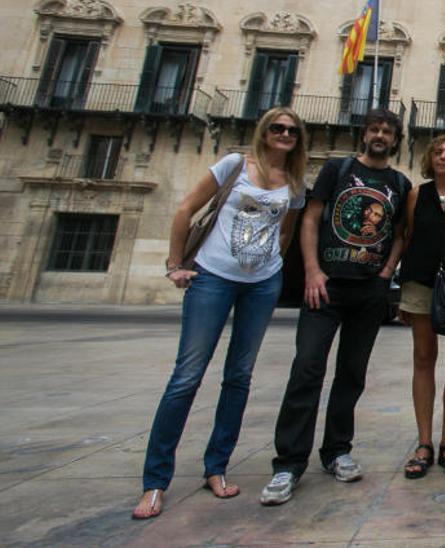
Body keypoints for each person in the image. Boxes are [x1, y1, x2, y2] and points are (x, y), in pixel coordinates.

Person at [133, 107, 308, 519]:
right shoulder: (234, 165)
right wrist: (175, 265)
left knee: (239, 377)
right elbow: (184, 210)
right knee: (186, 376)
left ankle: (217, 468)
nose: (284, 135)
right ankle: (155, 481)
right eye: (277, 128)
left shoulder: (296, 184)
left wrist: (271, 267)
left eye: (292, 131)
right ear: (264, 133)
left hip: (262, 284)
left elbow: (285, 231)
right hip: (212, 277)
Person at [260, 109, 410, 506]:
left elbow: (399, 234)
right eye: (375, 129)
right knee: (307, 370)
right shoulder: (335, 170)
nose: (380, 136)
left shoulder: (398, 183)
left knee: (351, 375)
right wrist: (312, 270)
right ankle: (288, 463)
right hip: (325, 289)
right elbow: (309, 220)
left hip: (368, 292)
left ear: (396, 140)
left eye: (387, 132)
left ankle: (337, 451)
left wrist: (387, 273)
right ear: (365, 134)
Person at [397, 134, 445, 479]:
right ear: (432, 157)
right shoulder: (417, 194)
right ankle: (424, 442)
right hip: (420, 284)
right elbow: (408, 236)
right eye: (440, 151)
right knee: (423, 360)